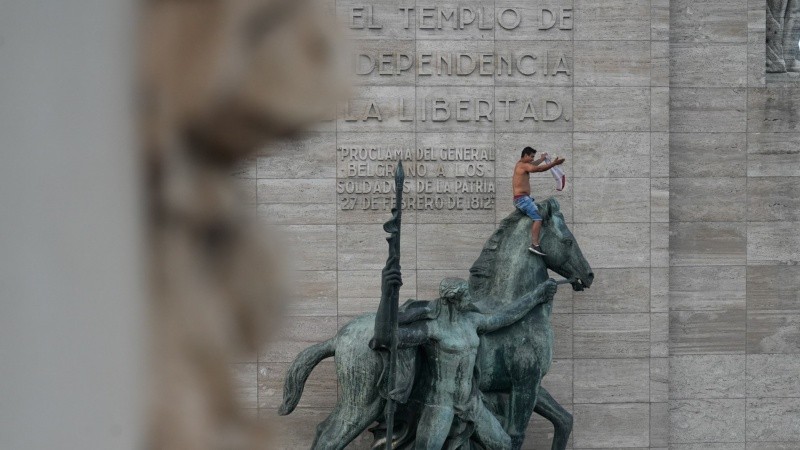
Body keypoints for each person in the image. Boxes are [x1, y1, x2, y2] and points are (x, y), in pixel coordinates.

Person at [398, 277, 558, 450]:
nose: (470, 299)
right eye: (466, 295)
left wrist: (536, 296)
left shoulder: (472, 321)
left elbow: (504, 318)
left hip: (471, 402)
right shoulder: (433, 328)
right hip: (441, 405)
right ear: (453, 299)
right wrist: (388, 295)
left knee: (505, 445)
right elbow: (389, 338)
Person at [512, 146, 565, 255]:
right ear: (525, 155)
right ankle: (535, 245)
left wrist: (541, 159)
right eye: (531, 157)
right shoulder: (522, 165)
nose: (532, 159)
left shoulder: (521, 164)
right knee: (538, 218)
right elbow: (538, 169)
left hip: (524, 199)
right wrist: (553, 164)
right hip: (522, 200)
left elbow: (533, 165)